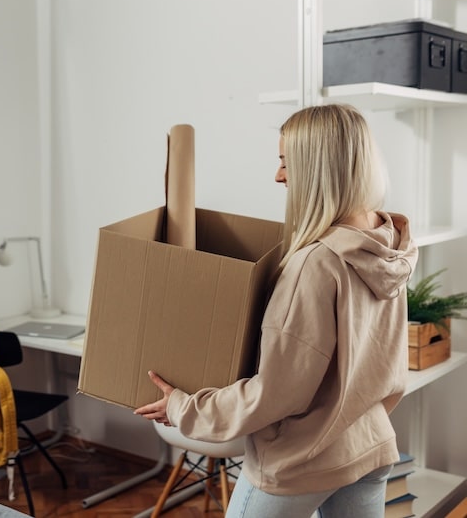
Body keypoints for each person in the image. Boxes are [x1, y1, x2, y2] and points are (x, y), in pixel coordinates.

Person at [134, 104, 418, 517]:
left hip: (301, 462)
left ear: (318, 168)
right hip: (368, 446)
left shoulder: (317, 264)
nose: (278, 175)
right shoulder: (387, 243)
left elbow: (277, 393)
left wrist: (184, 407)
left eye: (287, 162)